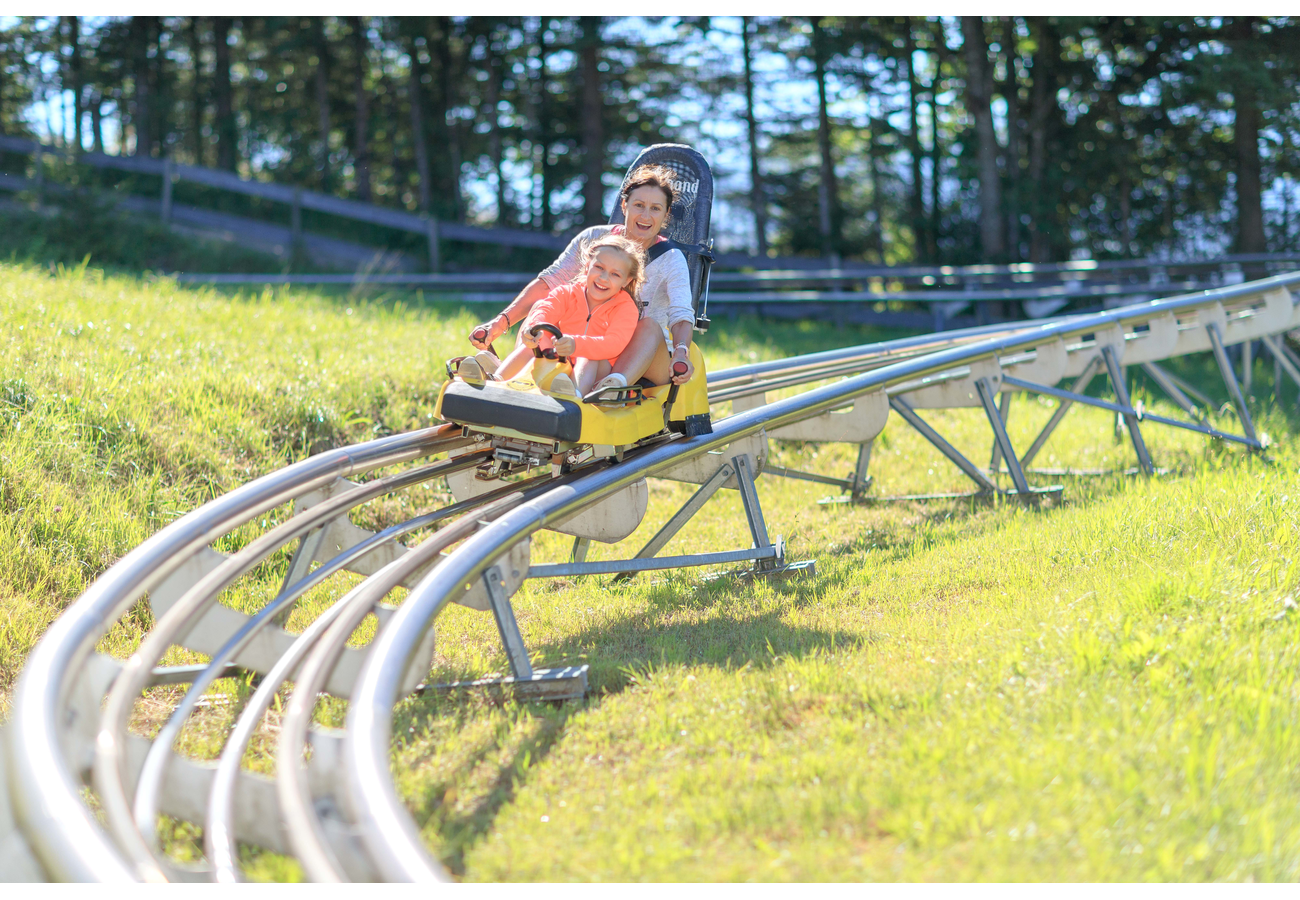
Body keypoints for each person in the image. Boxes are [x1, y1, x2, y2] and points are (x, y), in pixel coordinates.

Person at [467, 164, 696, 390]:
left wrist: (681, 353)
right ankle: (514, 377)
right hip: (582, 345)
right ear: (624, 206)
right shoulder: (594, 239)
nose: (645, 215)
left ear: (666, 215)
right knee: (542, 310)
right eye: (638, 205)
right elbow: (550, 282)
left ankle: (609, 390)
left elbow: (681, 315)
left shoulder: (671, 259)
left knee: (649, 326)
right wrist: (500, 323)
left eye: (655, 208)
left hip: (639, 355)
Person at [463, 235, 644, 396]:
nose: (604, 278)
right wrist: (532, 330)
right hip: (560, 362)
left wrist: (576, 345)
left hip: (595, 372)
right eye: (599, 267)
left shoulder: (625, 307)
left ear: (626, 280)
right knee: (535, 343)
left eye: (615, 274)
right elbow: (545, 309)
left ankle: (575, 396)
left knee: (589, 357)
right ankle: (496, 381)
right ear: (588, 265)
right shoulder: (567, 293)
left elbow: (614, 344)